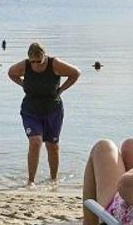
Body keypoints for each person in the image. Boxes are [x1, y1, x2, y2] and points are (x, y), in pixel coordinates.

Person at [7, 42, 81, 186]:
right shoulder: (25, 65)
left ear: (44, 56)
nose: (35, 64)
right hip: (31, 110)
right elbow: (11, 73)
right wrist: (24, 84)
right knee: (35, 142)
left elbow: (75, 73)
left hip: (53, 109)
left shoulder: (54, 64)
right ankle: (31, 181)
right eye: (32, 61)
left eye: (38, 61)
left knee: (52, 145)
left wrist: (62, 89)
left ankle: (53, 180)